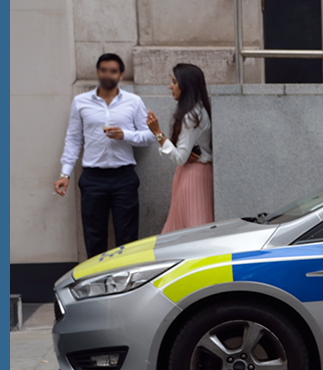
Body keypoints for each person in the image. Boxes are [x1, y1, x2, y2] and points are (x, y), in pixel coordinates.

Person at [55, 53, 155, 258]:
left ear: (121, 74)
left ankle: (127, 283)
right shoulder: (80, 102)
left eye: (113, 71)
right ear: (97, 71)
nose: (107, 75)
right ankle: (95, 284)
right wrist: (65, 174)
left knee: (127, 239)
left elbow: (150, 136)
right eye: (104, 70)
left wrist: (125, 135)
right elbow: (73, 139)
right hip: (93, 178)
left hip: (124, 177)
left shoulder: (133, 101)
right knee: (94, 237)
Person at [146, 63, 214, 233]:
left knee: (194, 229)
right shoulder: (197, 110)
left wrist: (158, 133)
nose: (171, 86)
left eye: (175, 82)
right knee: (189, 227)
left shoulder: (192, 114)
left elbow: (180, 157)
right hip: (191, 173)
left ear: (186, 85)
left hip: (194, 176)